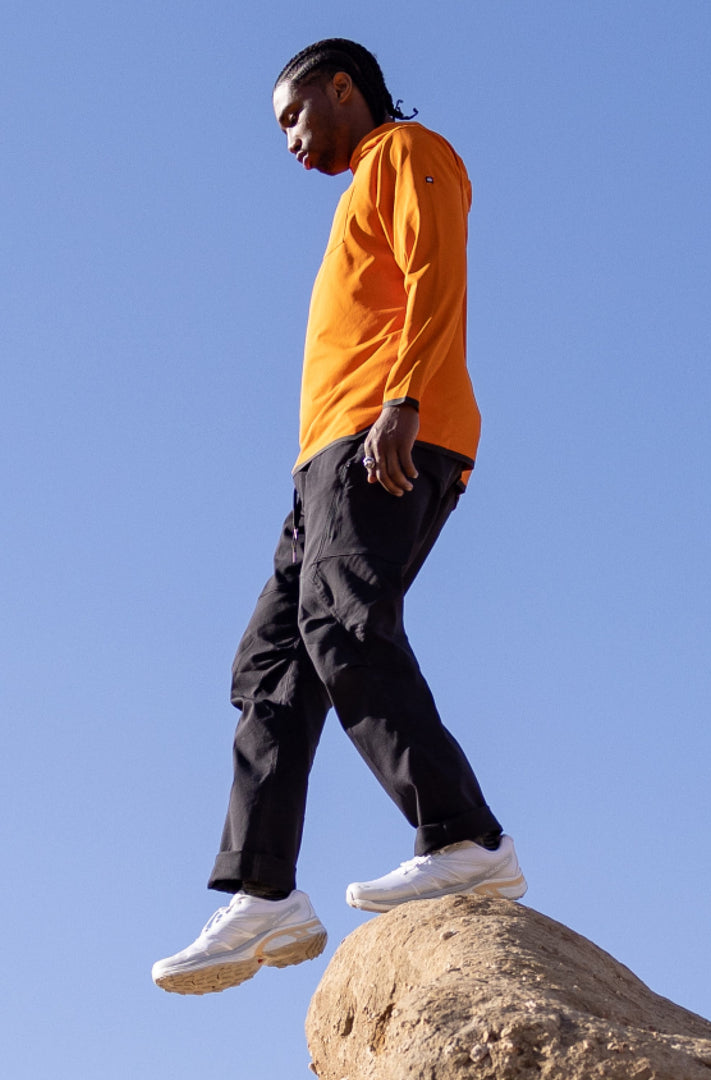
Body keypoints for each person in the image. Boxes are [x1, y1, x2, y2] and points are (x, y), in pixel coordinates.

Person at [152, 38, 526, 997]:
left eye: (294, 113)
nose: (288, 138)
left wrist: (405, 398)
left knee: (346, 626)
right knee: (271, 666)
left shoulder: (406, 151)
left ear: (343, 87)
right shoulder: (360, 185)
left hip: (385, 432)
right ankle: (264, 893)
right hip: (323, 461)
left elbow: (437, 266)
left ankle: (466, 838)